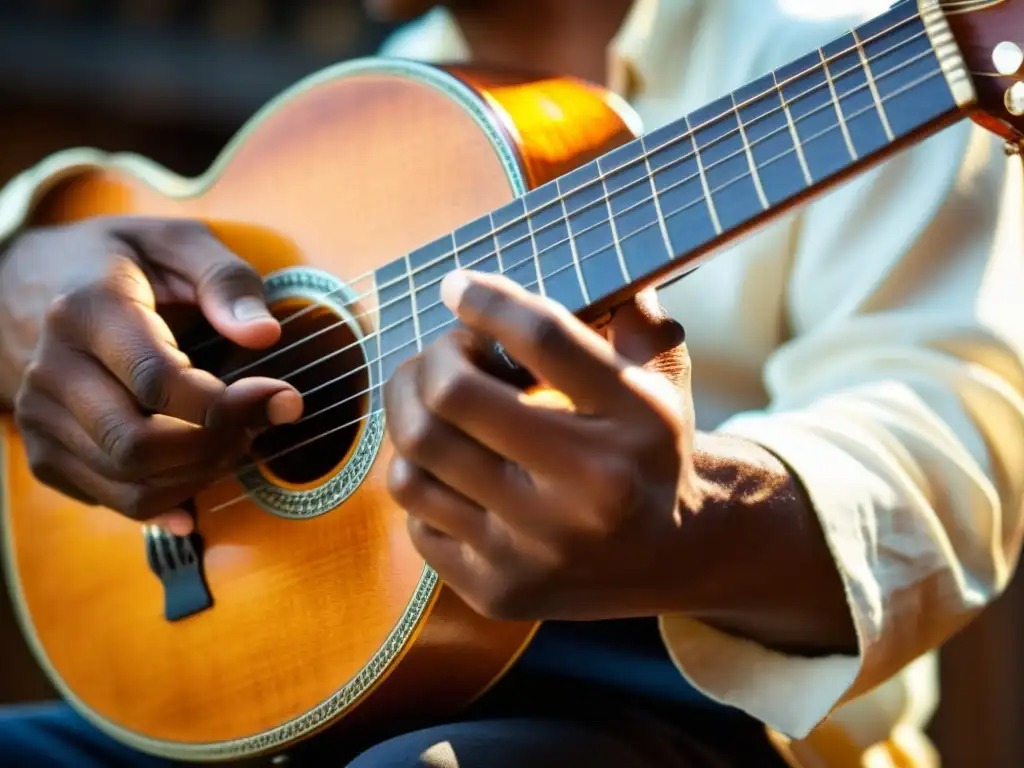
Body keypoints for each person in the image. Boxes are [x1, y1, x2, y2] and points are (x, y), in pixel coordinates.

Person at [0, 0, 1022, 765]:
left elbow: (946, 451)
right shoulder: (384, 93)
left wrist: (697, 524)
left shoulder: (856, 49)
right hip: (297, 711)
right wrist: (24, 269)